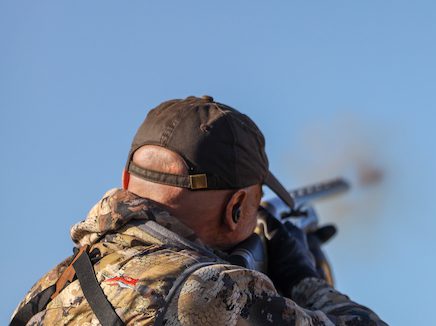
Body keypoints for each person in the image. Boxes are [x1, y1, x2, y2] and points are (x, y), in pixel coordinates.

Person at [10, 96, 386, 326]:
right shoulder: (206, 290)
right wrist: (303, 277)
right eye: (253, 209)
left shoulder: (51, 287)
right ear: (237, 209)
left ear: (126, 180)